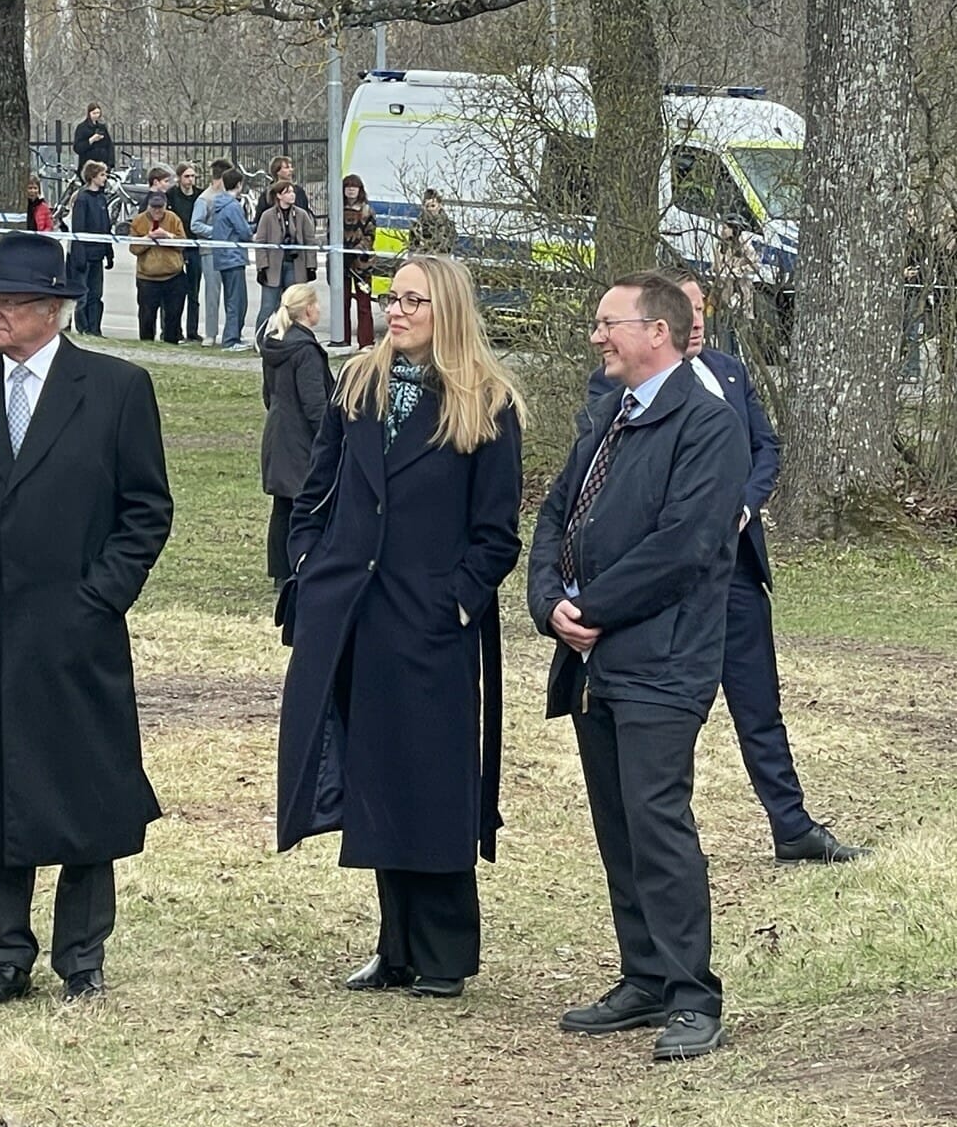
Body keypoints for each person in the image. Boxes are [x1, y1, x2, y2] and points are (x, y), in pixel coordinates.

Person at [0, 232, 174, 1005]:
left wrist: (98, 599)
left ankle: (80, 955)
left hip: (77, 633)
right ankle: (6, 955)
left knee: (86, 787)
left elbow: (145, 510)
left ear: (53, 310)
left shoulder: (116, 388)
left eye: (6, 301)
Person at [276, 257, 525, 999]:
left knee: (434, 779)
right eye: (393, 297)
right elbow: (316, 491)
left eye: (414, 300)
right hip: (353, 615)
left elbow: (496, 533)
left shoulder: (486, 402)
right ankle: (396, 946)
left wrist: (457, 601)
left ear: (447, 309)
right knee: (376, 775)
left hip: (429, 621)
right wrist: (308, 562)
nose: (398, 310)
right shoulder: (359, 384)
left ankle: (443, 953)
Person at [527, 271, 749, 1061]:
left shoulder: (707, 425)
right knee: (616, 821)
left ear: (657, 331)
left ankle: (692, 996)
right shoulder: (608, 414)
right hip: (594, 661)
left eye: (607, 323)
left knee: (656, 821)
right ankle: (645, 977)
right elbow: (555, 513)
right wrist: (547, 602)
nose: (596, 336)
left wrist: (589, 608)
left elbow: (684, 546)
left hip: (662, 659)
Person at [580, 273, 869, 866]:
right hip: (665, 591)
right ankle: (659, 838)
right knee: (659, 726)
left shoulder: (730, 372)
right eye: (685, 307)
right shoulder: (615, 390)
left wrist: (742, 505)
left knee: (759, 703)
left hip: (734, 573)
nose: (697, 318)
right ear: (659, 324)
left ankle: (791, 825)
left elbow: (766, 448)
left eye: (702, 306)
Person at [256, 282, 332, 588]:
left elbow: (268, 393)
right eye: (317, 303)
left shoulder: (275, 344)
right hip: (300, 438)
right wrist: (328, 437)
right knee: (305, 503)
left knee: (283, 505)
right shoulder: (306, 351)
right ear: (308, 309)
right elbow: (315, 404)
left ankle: (280, 570)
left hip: (278, 432)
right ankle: (299, 564)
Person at [253, 182, 318, 326]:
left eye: (292, 192)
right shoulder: (267, 216)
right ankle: (260, 336)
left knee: (294, 306)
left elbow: (310, 241)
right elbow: (260, 243)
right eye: (287, 192)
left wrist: (311, 266)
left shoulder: (301, 215)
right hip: (273, 268)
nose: (292, 195)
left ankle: (293, 336)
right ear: (279, 195)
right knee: (268, 306)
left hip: (295, 266)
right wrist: (262, 267)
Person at [128, 191, 187, 343]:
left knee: (173, 316)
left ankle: (171, 343)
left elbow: (183, 244)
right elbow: (134, 248)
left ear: (165, 206)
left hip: (173, 276)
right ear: (148, 206)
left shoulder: (173, 219)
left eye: (160, 207)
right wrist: (148, 239)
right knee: (146, 317)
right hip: (147, 278)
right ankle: (147, 344)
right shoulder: (138, 221)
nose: (157, 211)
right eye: (153, 207)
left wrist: (167, 236)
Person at [67, 160, 114, 336]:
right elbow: (78, 229)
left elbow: (106, 227)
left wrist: (109, 252)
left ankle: (95, 328)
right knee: (83, 295)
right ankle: (83, 327)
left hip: (97, 255)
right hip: (84, 255)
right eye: (102, 174)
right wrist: (79, 255)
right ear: (92, 177)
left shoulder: (102, 199)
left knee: (96, 294)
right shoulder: (82, 198)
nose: (105, 178)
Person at [212, 169, 254, 350]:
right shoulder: (233, 206)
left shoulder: (219, 204)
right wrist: (256, 228)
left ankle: (234, 335)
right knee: (237, 301)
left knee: (232, 299)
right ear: (239, 184)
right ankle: (231, 339)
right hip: (233, 257)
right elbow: (244, 232)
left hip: (222, 256)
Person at [190, 160, 230, 344]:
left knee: (231, 294)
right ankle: (210, 333)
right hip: (210, 251)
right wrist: (216, 232)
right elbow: (195, 224)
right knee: (212, 294)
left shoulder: (229, 197)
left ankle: (231, 333)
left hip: (228, 250)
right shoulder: (204, 199)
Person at [168, 165, 203, 341]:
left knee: (193, 292)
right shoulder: (171, 195)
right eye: (187, 176)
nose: (190, 180)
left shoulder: (199, 195)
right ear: (179, 177)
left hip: (195, 248)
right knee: (174, 291)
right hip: (177, 247)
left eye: (193, 176)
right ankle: (173, 330)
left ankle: (192, 330)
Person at [343, 175, 378, 347]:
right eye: (348, 186)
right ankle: (343, 340)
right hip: (341, 263)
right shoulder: (337, 209)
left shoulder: (367, 211)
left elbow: (370, 235)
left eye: (354, 187)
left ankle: (366, 343)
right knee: (342, 304)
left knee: (364, 305)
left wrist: (356, 251)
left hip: (362, 264)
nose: (351, 190)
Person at [408, 189, 457, 256]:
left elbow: (449, 249)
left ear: (440, 206)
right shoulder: (417, 227)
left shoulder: (449, 226)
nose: (430, 209)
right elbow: (412, 250)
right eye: (427, 206)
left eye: (433, 206)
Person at [72, 103, 114, 179]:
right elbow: (77, 148)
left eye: (98, 113)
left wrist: (110, 164)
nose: (96, 115)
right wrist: (91, 140)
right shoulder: (82, 128)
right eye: (94, 113)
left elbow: (109, 146)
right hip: (88, 166)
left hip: (102, 165)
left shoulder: (102, 127)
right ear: (89, 113)